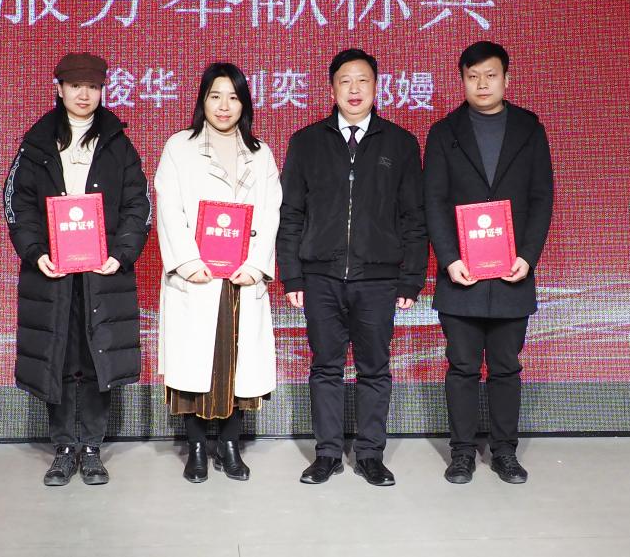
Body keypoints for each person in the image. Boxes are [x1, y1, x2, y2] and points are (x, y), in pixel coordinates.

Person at [277, 48, 428, 487]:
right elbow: (291, 214)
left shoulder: (400, 143)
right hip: (320, 277)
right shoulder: (306, 142)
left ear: (377, 87)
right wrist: (292, 274)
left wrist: (411, 279)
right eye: (345, 81)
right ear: (332, 89)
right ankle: (326, 454)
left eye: (363, 80)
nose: (354, 89)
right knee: (325, 367)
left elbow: (413, 218)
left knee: (374, 369)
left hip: (378, 279)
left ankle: (370, 454)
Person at [3, 52, 151, 486]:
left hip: (103, 273)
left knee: (96, 357)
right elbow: (16, 204)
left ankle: (92, 448)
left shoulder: (119, 144)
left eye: (92, 87)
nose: (84, 94)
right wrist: (36, 252)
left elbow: (138, 204)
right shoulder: (35, 144)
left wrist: (120, 254)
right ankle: (64, 448)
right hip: (53, 273)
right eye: (75, 86)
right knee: (60, 357)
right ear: (59, 88)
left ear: (102, 90)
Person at [423, 41, 554, 485]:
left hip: (513, 272)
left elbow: (542, 198)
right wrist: (448, 259)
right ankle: (461, 453)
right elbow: (433, 201)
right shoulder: (444, 132)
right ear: (462, 80)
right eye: (473, 76)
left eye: (491, 75)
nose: (482, 84)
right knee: (461, 367)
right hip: (461, 275)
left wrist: (528, 257)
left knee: (506, 367)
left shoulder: (529, 129)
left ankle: (504, 453)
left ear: (506, 79)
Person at [154, 62, 281, 483]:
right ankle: (195, 447)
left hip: (241, 277)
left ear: (244, 103)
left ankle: (229, 445)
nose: (224, 106)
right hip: (198, 278)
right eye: (215, 96)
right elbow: (169, 209)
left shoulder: (260, 153)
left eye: (233, 97)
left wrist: (256, 264)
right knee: (195, 365)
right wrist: (189, 262)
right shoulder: (180, 147)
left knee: (236, 364)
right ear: (202, 101)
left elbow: (272, 212)